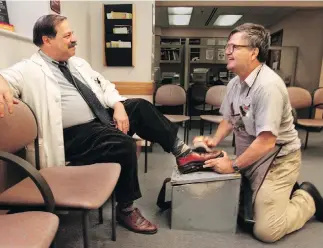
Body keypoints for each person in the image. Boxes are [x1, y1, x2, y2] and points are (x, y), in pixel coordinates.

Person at [0, 15, 219, 234]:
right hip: (72, 135)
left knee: (140, 106)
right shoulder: (29, 69)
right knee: (124, 144)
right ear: (47, 40)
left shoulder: (77, 64)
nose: (74, 39)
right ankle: (126, 208)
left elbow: (104, 85)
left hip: (100, 119)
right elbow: (4, 77)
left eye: (72, 33)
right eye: (67, 35)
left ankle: (183, 153)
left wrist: (118, 105)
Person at [195, 23, 323, 242]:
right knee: (231, 209)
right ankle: (273, 193)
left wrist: (233, 165)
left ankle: (307, 197)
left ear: (254, 52)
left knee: (266, 231)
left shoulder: (268, 86)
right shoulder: (236, 83)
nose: (227, 51)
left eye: (234, 46)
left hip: (278, 161)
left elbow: (266, 142)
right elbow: (229, 118)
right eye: (228, 46)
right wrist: (214, 140)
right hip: (252, 158)